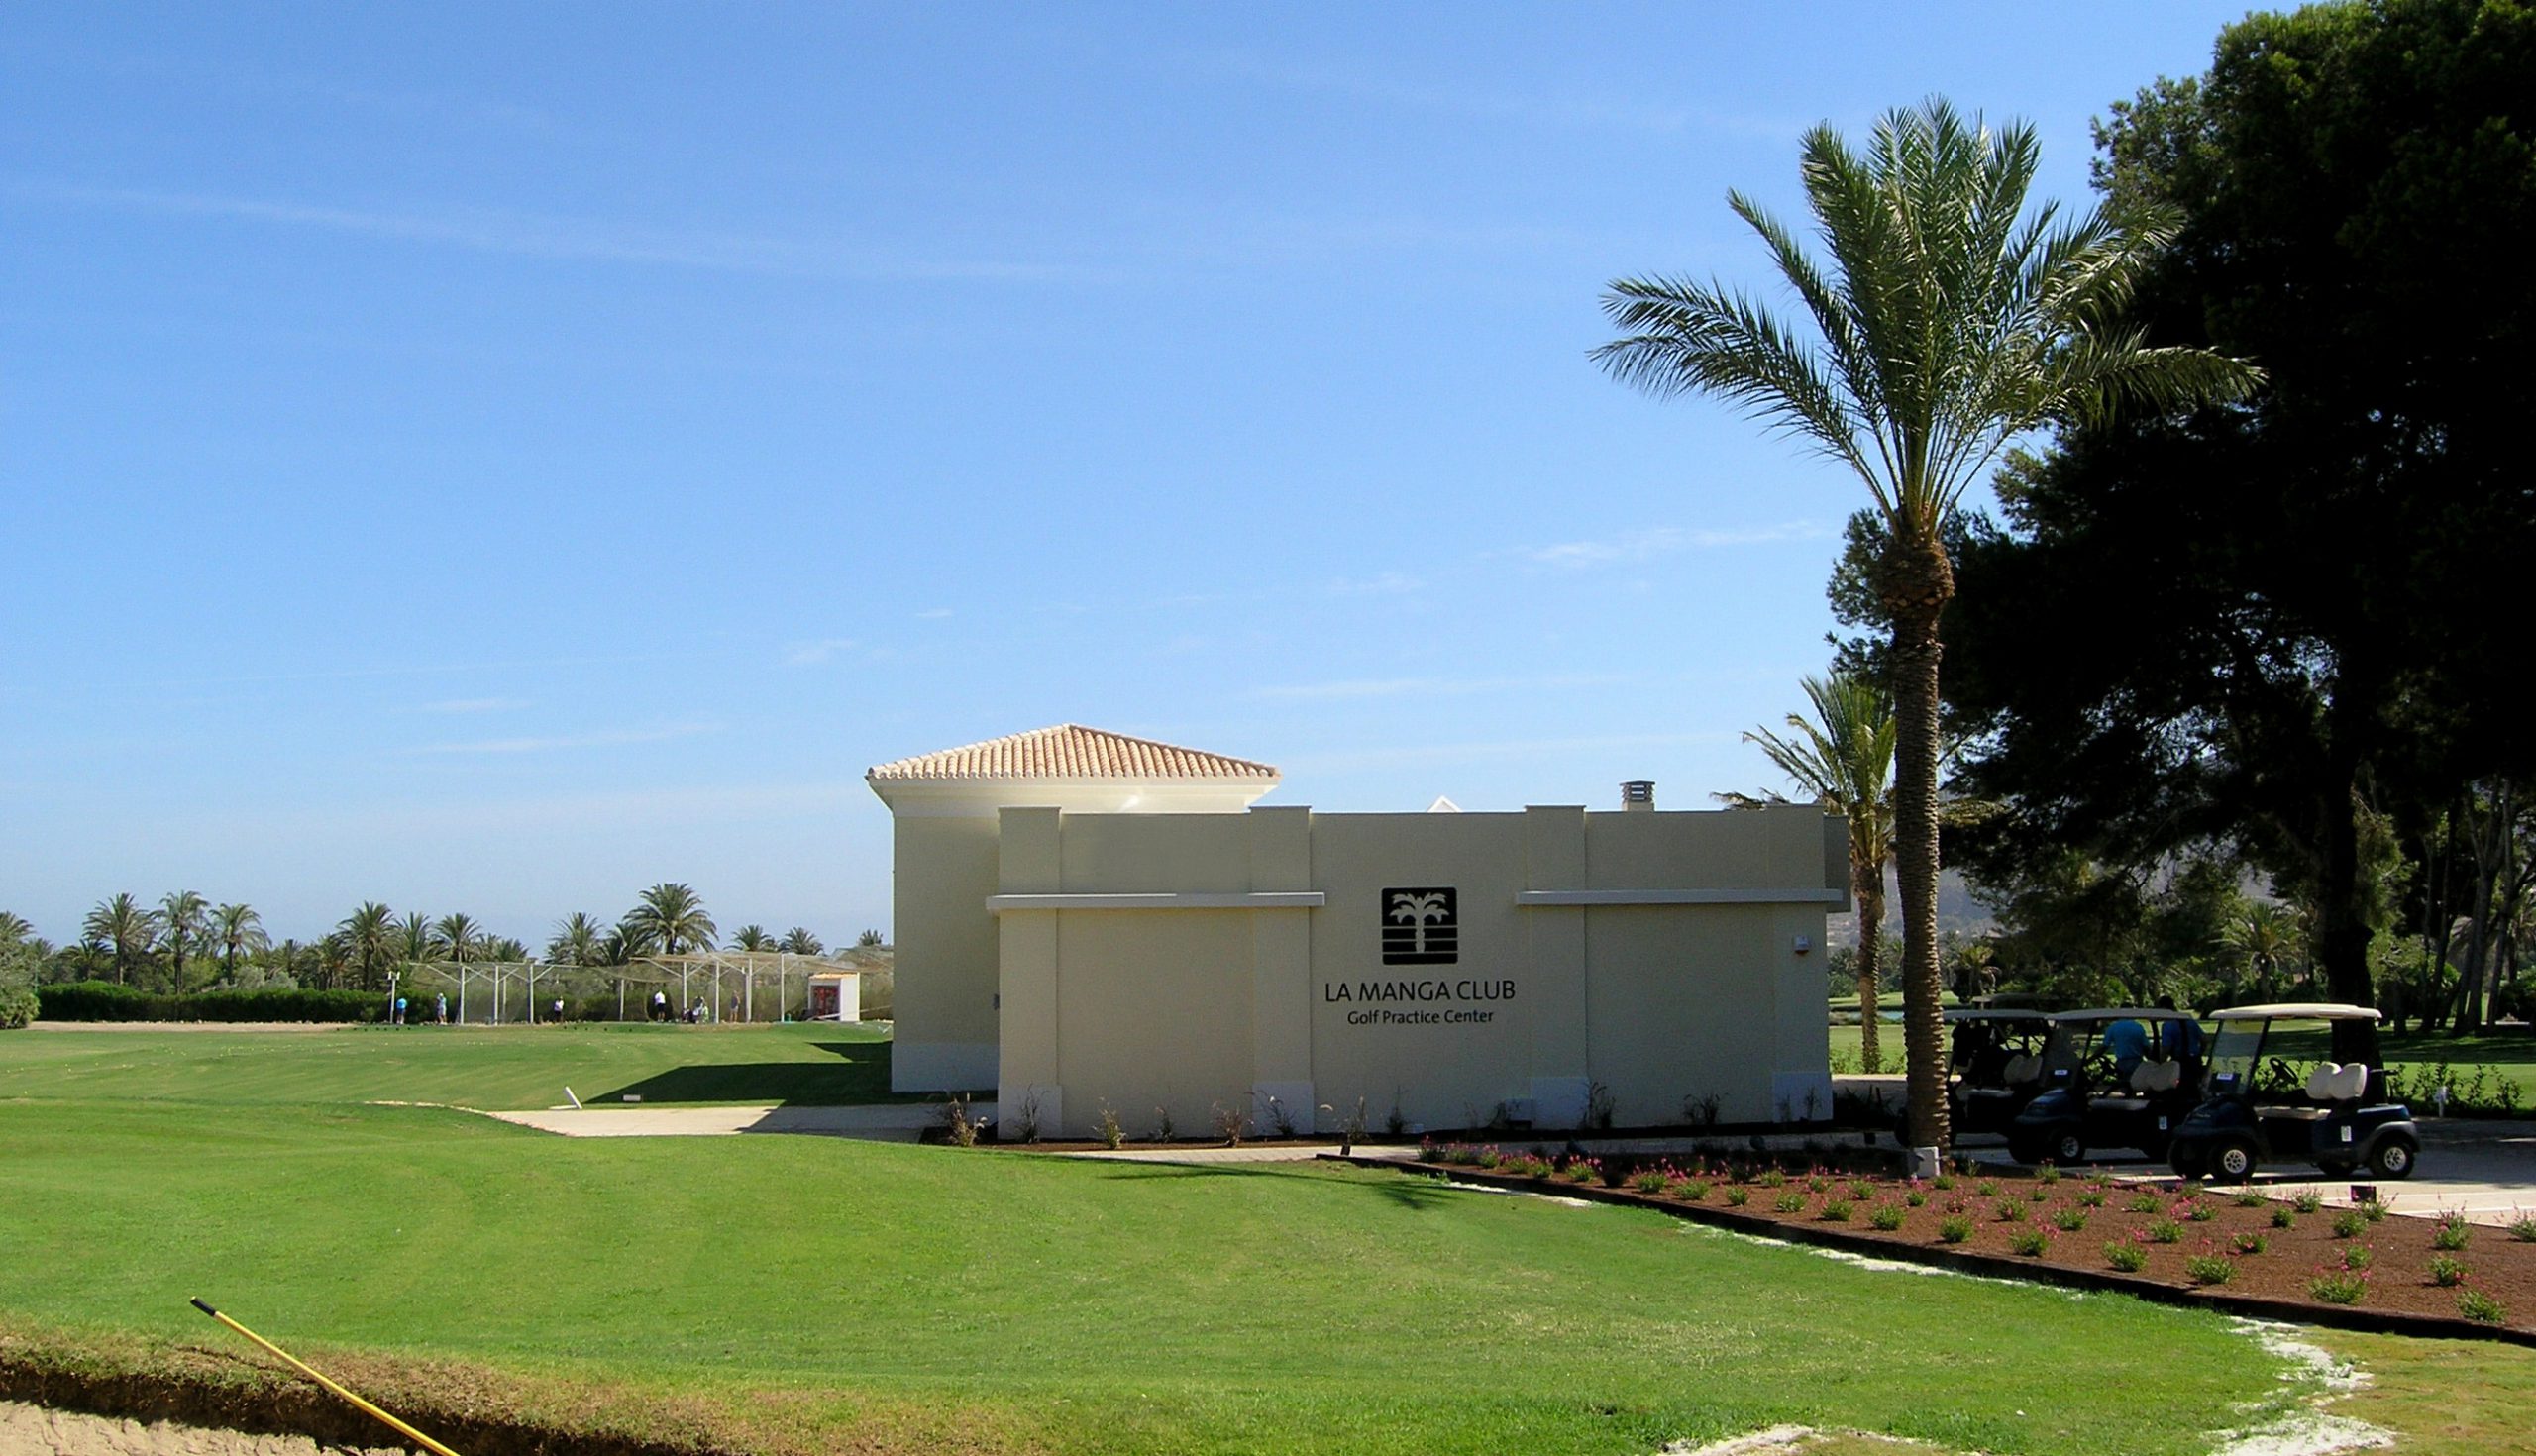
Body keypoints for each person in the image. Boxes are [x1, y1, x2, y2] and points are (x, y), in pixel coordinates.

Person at [2155, 994, 2205, 1065]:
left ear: (2163, 1008)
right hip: (2195, 1060)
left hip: (2179, 1062)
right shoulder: (2190, 1021)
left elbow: (2166, 1049)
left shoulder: (2167, 1026)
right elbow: (2204, 1039)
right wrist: (2200, 1053)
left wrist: (2160, 1064)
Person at [2102, 1015, 2149, 1081]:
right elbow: (2145, 1046)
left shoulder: (2113, 1027)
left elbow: (2104, 1046)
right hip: (2136, 1061)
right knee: (2136, 1083)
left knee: (2123, 1084)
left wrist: (2093, 1056)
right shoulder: (2138, 1027)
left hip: (2121, 1062)